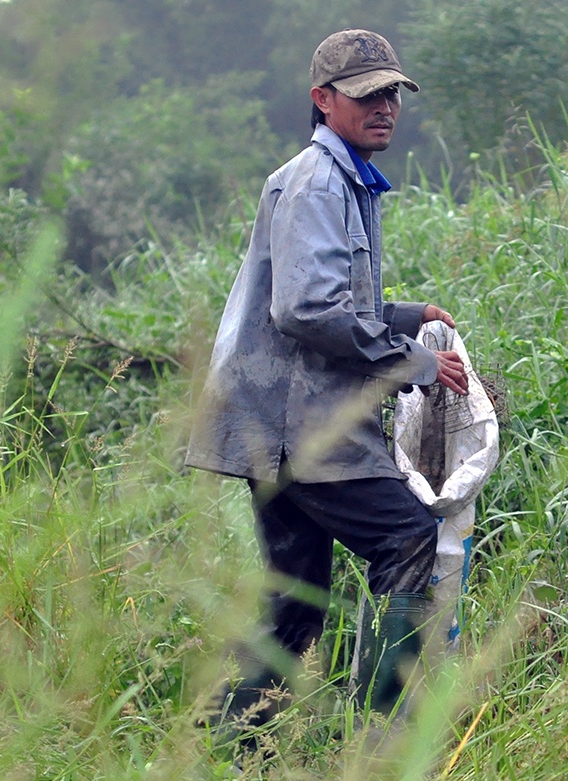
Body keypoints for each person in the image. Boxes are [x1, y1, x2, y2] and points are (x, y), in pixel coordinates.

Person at [185, 28, 467, 730]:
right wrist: (418, 363)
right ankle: (382, 732)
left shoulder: (343, 178)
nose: (386, 108)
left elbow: (331, 297)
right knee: (407, 538)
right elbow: (308, 310)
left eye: (392, 94)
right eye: (367, 95)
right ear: (322, 100)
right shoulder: (316, 183)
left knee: (297, 599)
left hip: (268, 421)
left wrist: (407, 314)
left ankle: (226, 741)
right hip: (296, 422)